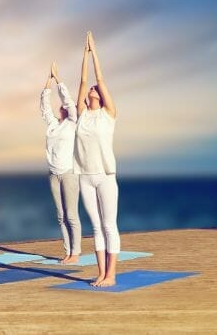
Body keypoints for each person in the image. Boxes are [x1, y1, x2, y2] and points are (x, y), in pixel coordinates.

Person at [75, 31, 120, 287]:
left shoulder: (108, 114)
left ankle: (111, 275)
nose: (92, 88)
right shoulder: (82, 115)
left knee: (108, 225)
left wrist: (94, 51)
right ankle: (101, 273)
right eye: (90, 89)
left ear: (101, 97)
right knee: (95, 227)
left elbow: (99, 78)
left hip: (105, 176)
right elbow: (83, 80)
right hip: (84, 176)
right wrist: (83, 54)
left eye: (95, 89)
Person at [40, 61, 81, 264]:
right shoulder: (53, 125)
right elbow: (44, 107)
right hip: (53, 174)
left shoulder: (72, 122)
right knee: (61, 215)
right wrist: (47, 81)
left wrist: (58, 79)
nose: (61, 107)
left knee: (71, 215)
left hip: (69, 173)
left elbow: (68, 100)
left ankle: (76, 252)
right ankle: (67, 252)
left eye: (64, 107)